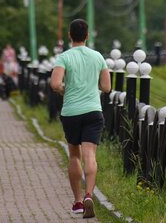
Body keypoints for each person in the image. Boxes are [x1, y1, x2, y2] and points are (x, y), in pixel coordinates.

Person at [50, 19, 111, 218]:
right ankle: (89, 195)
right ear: (87, 36)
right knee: (90, 155)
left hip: (71, 112)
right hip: (93, 111)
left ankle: (77, 202)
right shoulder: (98, 57)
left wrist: (64, 89)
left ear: (70, 35)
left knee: (74, 155)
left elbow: (55, 84)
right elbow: (106, 87)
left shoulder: (64, 57)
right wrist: (91, 86)